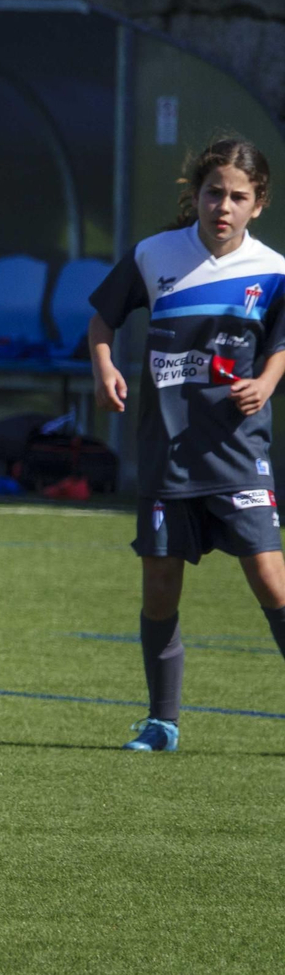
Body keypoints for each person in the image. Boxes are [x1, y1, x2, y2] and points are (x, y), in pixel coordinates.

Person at [89, 136, 285, 752]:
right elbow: (103, 319)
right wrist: (105, 366)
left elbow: (280, 345)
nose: (223, 206)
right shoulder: (155, 255)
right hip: (168, 451)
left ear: (259, 205)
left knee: (271, 580)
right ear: (195, 195)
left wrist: (267, 381)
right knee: (160, 588)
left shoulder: (273, 270)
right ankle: (162, 722)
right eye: (213, 193)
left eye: (238, 197)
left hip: (237, 450)